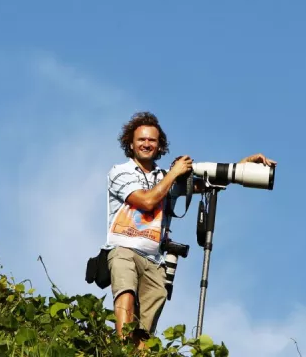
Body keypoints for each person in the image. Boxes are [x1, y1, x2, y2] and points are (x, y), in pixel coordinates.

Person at [104, 111, 276, 349]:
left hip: (155, 259)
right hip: (125, 248)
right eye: (141, 139)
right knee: (126, 294)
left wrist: (242, 167)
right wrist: (174, 174)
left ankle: (136, 354)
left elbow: (206, 185)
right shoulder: (120, 172)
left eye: (152, 140)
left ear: (159, 145)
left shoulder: (164, 178)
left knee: (146, 327)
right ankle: (120, 349)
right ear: (130, 144)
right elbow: (146, 200)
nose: (146, 144)